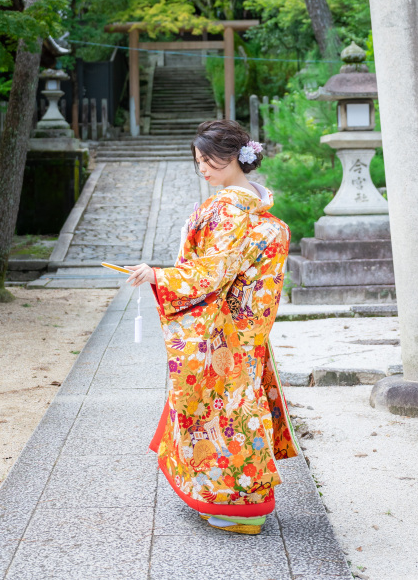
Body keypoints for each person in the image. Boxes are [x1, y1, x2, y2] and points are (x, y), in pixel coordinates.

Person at [127, 118, 298, 535]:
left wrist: (159, 276)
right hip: (248, 325)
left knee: (216, 410)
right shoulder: (259, 208)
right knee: (239, 403)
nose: (203, 168)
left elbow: (212, 271)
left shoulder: (226, 208)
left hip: (221, 327)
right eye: (198, 160)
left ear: (234, 156)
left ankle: (235, 505)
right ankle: (243, 498)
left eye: (209, 159)